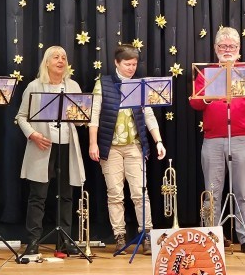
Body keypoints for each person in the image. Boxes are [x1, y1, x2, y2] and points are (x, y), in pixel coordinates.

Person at [88, 44, 167, 254]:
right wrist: (93, 143)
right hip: (110, 147)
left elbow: (148, 115)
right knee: (115, 194)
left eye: (134, 64)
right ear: (117, 63)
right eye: (127, 64)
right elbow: (94, 115)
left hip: (134, 146)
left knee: (140, 193)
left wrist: (158, 141)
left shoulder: (140, 84)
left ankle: (147, 234)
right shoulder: (103, 83)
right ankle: (119, 234)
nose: (131, 68)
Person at [189, 26, 245, 253]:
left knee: (243, 191)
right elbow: (195, 102)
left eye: (232, 46)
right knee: (212, 191)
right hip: (213, 139)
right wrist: (210, 96)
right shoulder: (207, 73)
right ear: (215, 48)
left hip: (242, 137)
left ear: (239, 49)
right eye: (223, 46)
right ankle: (210, 235)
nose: (227, 50)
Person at [16, 46, 87, 258]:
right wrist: (33, 135)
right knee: (38, 196)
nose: (60, 61)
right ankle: (33, 242)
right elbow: (21, 116)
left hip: (67, 145)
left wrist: (82, 116)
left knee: (66, 195)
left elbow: (80, 118)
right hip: (43, 145)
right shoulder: (35, 86)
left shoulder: (73, 86)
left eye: (64, 57)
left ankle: (65, 240)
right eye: (56, 57)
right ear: (47, 62)